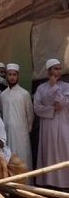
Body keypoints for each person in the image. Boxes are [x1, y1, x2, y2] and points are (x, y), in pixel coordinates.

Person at [33, 59, 69, 188]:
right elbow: (37, 107)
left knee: (65, 153)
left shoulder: (66, 86)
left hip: (64, 125)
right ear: (49, 71)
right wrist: (52, 109)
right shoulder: (41, 88)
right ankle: (50, 185)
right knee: (49, 154)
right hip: (48, 127)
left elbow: (64, 102)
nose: (58, 71)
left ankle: (65, 186)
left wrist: (54, 88)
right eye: (55, 69)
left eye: (59, 69)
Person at [0, 63, 33, 171]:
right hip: (7, 132)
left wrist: (25, 131)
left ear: (18, 76)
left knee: (23, 157)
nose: (12, 77)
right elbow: (1, 113)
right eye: (10, 74)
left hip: (21, 134)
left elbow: (30, 115)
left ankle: (26, 184)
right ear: (6, 76)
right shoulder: (2, 94)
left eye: (14, 74)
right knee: (9, 158)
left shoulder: (24, 94)